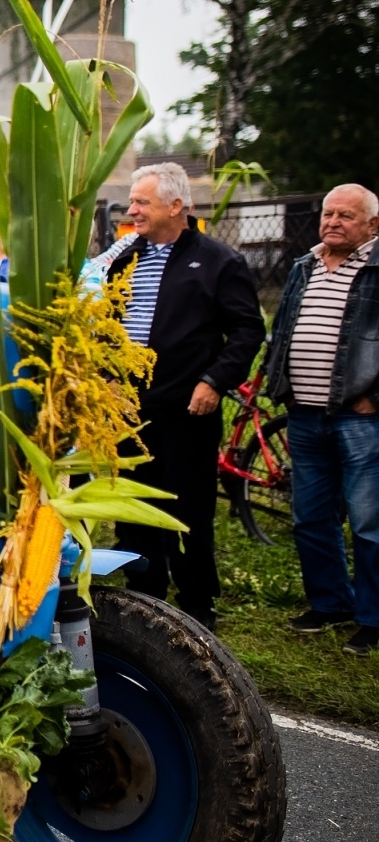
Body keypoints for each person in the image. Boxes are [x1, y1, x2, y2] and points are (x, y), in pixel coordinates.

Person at [108, 162, 265, 631]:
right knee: (131, 509)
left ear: (177, 206)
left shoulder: (218, 261)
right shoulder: (124, 257)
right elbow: (104, 322)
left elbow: (246, 331)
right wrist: (107, 376)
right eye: (133, 201)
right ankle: (143, 597)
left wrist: (214, 381)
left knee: (188, 510)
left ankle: (197, 606)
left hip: (186, 409)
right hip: (127, 411)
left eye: (142, 202)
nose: (132, 210)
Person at [262, 183, 379, 655]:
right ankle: (330, 603)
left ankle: (372, 618)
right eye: (328, 213)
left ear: (372, 225)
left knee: (369, 524)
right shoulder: (303, 266)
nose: (332, 222)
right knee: (310, 517)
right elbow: (282, 329)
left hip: (360, 420)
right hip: (305, 416)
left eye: (345, 216)